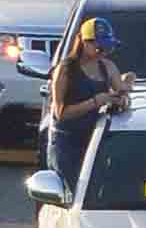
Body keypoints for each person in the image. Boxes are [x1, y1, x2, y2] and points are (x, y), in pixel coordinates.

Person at [47, 12, 128, 158]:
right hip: (68, 141)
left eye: (109, 48)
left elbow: (122, 92)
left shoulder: (107, 67)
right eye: (100, 48)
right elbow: (61, 113)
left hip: (94, 139)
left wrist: (121, 99)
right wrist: (96, 101)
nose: (104, 52)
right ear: (84, 42)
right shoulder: (66, 69)